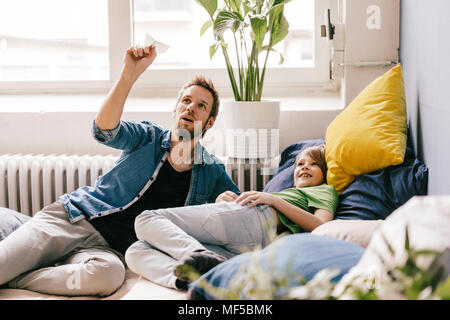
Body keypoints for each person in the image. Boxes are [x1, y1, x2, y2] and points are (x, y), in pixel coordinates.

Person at [0, 44, 239, 296]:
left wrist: (226, 202)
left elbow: (243, 215)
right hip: (74, 221)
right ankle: (15, 259)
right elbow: (104, 129)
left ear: (210, 122)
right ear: (176, 108)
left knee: (107, 277)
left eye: (201, 106)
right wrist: (129, 73)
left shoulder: (212, 171)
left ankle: (16, 279)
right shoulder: (146, 137)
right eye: (186, 100)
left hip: (107, 252)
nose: (190, 107)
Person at [125, 144, 339, 290]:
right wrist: (224, 202)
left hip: (256, 220)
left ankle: (196, 254)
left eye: (313, 164)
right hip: (245, 245)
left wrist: (273, 200)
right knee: (135, 250)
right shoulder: (288, 191)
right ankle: (188, 280)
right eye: (300, 164)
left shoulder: (324, 191)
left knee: (146, 219)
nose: (304, 168)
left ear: (325, 172)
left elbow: (321, 226)